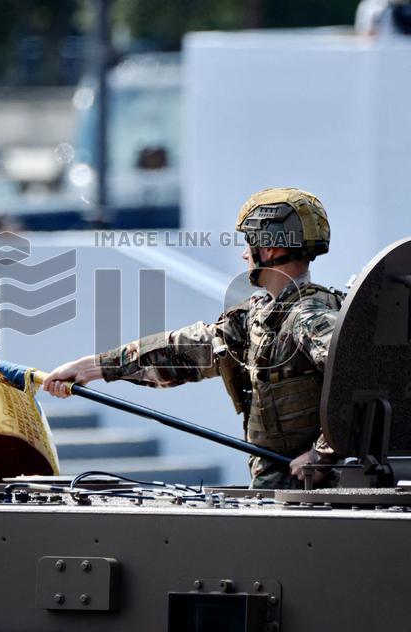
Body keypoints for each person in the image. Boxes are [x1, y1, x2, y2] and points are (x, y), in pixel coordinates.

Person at [43, 188, 342, 489]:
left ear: (270, 249)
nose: (244, 254)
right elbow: (180, 352)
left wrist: (322, 455)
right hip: (281, 494)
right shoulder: (258, 317)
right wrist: (91, 367)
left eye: (248, 243)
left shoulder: (309, 317)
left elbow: (361, 380)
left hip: (312, 498)